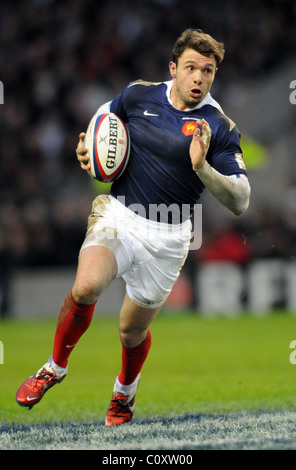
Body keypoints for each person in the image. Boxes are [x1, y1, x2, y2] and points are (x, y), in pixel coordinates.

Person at [16, 29, 251, 426]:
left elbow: (241, 200)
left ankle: (123, 394)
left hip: (171, 236)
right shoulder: (139, 94)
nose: (199, 78)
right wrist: (85, 145)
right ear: (173, 68)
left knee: (130, 333)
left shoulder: (219, 127)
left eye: (208, 71)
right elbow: (104, 118)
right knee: (86, 286)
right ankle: (54, 367)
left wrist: (202, 167)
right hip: (119, 215)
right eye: (191, 68)